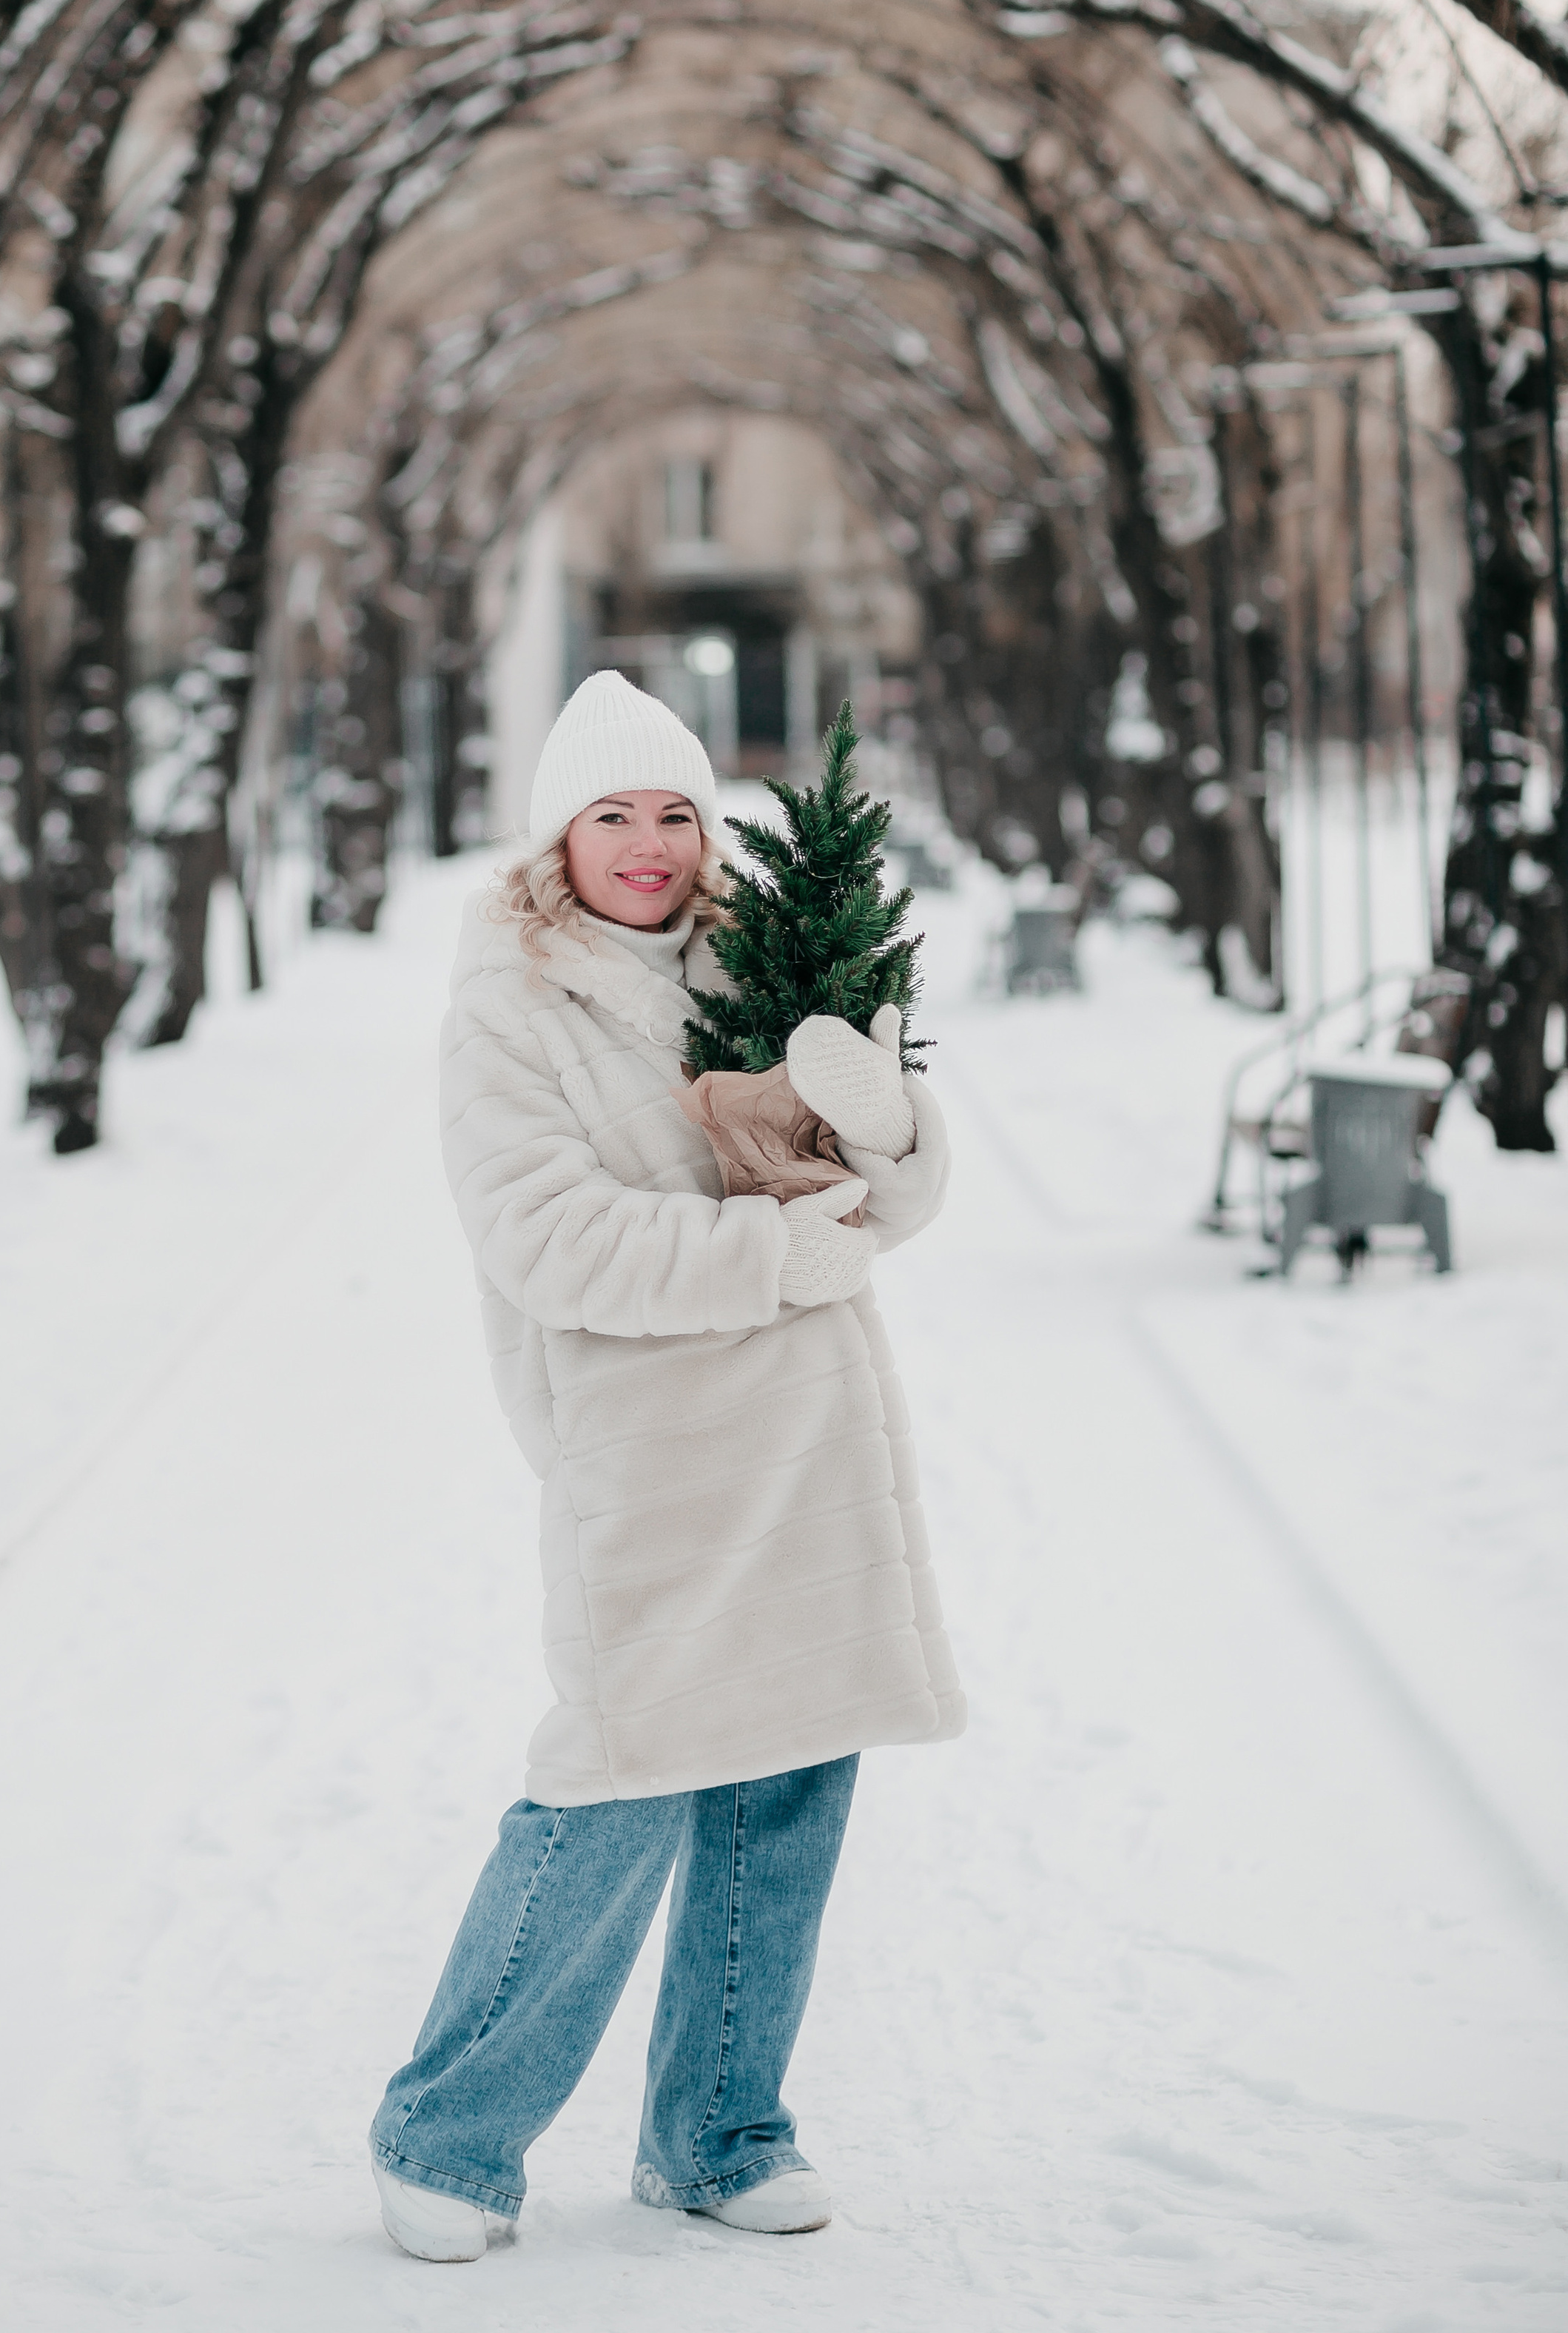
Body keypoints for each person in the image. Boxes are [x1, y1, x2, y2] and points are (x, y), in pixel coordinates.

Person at [369, 671, 963, 2262]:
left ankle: (717, 2135)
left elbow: (873, 1211)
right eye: (611, 813)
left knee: (790, 1779)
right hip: (646, 1449)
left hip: (808, 1435)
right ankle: (446, 2133)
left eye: (675, 812)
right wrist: (776, 1252)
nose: (645, 842)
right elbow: (547, 1241)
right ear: (554, 833)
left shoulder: (764, 963)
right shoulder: (508, 1006)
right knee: (615, 1779)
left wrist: (887, 1137)